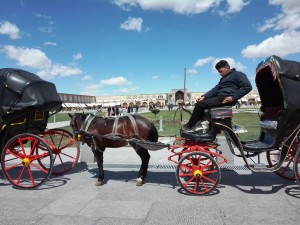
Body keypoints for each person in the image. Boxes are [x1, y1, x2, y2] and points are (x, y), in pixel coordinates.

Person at [182, 60, 252, 133]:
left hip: (225, 98)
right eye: (218, 72)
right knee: (201, 102)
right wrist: (204, 96)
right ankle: (201, 125)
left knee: (200, 105)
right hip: (219, 97)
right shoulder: (223, 79)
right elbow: (216, 89)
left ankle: (190, 126)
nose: (219, 73)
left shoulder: (238, 74)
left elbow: (247, 87)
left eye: (221, 71)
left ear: (227, 68)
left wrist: (233, 98)